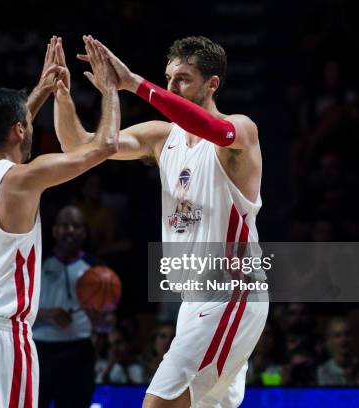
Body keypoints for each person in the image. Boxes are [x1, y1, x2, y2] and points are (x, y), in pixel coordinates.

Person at [54, 35, 268, 407]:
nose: (171, 87)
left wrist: (133, 83)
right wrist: (62, 95)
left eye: (183, 78)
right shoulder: (161, 137)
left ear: (212, 83)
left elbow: (214, 130)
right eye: (168, 78)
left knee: (157, 404)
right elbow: (81, 147)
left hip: (230, 294)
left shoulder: (240, 131)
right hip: (193, 300)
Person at [0, 36, 120, 408]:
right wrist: (111, 89)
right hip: (0, 337)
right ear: (20, 128)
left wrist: (41, 90)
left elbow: (8, 133)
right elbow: (106, 146)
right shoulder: (21, 179)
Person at [33, 205, 99, 408]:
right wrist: (48, 313)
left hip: (79, 352)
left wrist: (101, 319)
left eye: (76, 226)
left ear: (85, 232)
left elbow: (106, 326)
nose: (70, 230)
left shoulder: (97, 269)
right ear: (54, 230)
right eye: (64, 225)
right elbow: (13, 309)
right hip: (39, 351)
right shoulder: (36, 262)